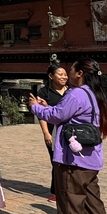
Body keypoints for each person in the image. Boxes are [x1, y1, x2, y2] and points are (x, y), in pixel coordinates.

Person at [29, 58, 107, 214]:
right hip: (91, 159)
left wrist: (36, 108)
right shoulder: (95, 94)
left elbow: (57, 116)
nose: (68, 74)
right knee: (93, 207)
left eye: (71, 70)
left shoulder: (76, 94)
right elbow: (68, 114)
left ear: (80, 73)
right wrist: (49, 107)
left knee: (70, 206)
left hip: (73, 160)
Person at [36, 64, 68, 202]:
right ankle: (57, 191)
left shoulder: (71, 91)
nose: (64, 77)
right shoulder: (44, 92)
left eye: (65, 74)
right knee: (56, 161)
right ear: (51, 76)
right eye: (60, 74)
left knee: (69, 161)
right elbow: (41, 114)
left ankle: (68, 189)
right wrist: (46, 133)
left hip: (69, 131)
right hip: (53, 131)